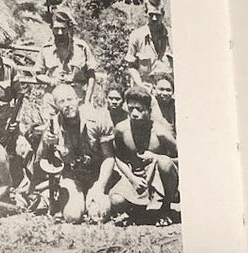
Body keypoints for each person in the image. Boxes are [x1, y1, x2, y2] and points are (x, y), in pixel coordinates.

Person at [35, 84, 115, 223]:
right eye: (61, 101)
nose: (67, 105)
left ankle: (91, 198)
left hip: (96, 175)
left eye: (69, 99)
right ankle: (75, 200)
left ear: (78, 99)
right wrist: (45, 141)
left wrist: (99, 187)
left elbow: (109, 158)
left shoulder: (97, 119)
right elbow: (40, 160)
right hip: (72, 176)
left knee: (99, 214)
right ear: (56, 105)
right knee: (72, 217)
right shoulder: (53, 125)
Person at [110, 86, 179, 223]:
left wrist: (156, 157)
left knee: (164, 162)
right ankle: (138, 210)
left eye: (140, 109)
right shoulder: (121, 129)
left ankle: (165, 209)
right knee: (116, 201)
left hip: (158, 179)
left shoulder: (160, 132)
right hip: (136, 178)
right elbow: (118, 157)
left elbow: (183, 158)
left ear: (149, 110)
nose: (134, 113)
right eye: (131, 109)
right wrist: (132, 178)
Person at [35, 10, 98, 125]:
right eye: (56, 29)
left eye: (63, 29)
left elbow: (91, 75)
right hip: (53, 100)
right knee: (50, 132)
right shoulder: (46, 49)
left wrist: (88, 101)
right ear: (52, 29)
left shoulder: (81, 47)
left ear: (69, 29)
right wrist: (51, 80)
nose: (59, 32)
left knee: (82, 132)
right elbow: (38, 74)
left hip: (77, 98)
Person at [125, 0, 173, 86]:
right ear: (146, 14)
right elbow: (131, 66)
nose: (154, 18)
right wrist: (141, 86)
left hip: (167, 90)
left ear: (163, 14)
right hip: (145, 88)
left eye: (158, 15)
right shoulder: (136, 35)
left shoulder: (172, 36)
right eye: (151, 15)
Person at [153, 73, 177, 137]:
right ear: (154, 88)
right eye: (161, 89)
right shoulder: (149, 103)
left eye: (168, 90)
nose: (165, 93)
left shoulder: (174, 105)